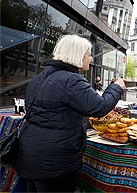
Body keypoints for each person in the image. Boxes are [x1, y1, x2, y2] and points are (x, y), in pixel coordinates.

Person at [15, 34, 126, 193]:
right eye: (88, 54)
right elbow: (100, 107)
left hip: (29, 153)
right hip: (54, 161)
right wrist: (116, 87)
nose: (91, 58)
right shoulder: (72, 80)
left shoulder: (39, 77)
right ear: (77, 55)